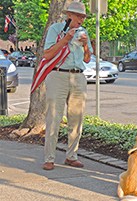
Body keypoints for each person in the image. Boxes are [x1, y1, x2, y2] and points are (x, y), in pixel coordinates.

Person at [42, 1, 93, 170]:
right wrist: (66, 38)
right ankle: (49, 158)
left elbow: (87, 59)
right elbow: (48, 54)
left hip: (78, 76)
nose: (81, 19)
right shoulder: (55, 29)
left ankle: (72, 156)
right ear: (69, 15)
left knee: (76, 119)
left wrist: (85, 44)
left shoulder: (83, 32)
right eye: (78, 16)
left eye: (83, 17)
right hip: (58, 74)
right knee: (54, 118)